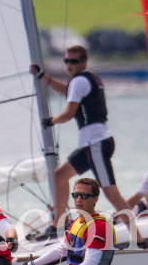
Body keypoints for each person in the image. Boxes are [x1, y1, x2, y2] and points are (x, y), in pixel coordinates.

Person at [30, 46, 131, 234]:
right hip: (91, 144)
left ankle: (138, 237)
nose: (69, 65)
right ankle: (58, 226)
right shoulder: (87, 79)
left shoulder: (79, 81)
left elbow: (68, 114)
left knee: (111, 193)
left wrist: (51, 121)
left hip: (96, 144)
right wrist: (43, 76)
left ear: (84, 62)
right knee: (60, 175)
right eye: (66, 61)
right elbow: (68, 91)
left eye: (73, 61)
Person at [13, 178, 115, 265]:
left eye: (84, 196)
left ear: (95, 199)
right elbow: (59, 251)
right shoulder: (77, 223)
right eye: (75, 195)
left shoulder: (99, 227)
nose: (78, 199)